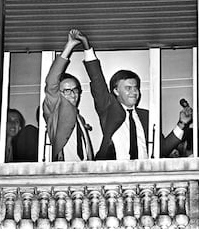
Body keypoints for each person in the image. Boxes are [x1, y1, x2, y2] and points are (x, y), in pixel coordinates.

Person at [73, 29, 192, 160]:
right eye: (128, 88)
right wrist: (87, 46)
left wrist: (182, 124)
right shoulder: (108, 109)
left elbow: (162, 149)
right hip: (114, 173)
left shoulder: (146, 116)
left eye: (136, 88)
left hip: (142, 174)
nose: (134, 92)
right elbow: (97, 81)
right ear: (116, 91)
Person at [42, 29, 94, 162]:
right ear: (58, 94)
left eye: (75, 90)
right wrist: (69, 46)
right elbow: (51, 81)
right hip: (65, 172)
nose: (72, 94)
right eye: (66, 90)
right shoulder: (55, 110)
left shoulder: (79, 119)